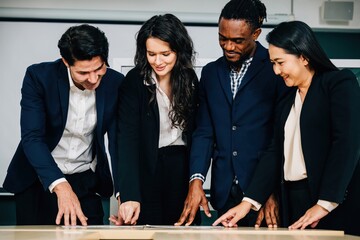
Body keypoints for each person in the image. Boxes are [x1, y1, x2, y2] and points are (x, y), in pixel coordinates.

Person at [213, 20, 360, 236]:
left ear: (303, 56)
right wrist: (247, 203)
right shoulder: (287, 99)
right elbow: (274, 152)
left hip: (331, 201)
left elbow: (347, 143)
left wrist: (325, 203)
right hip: (292, 199)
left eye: (280, 62)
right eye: (273, 63)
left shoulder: (338, 84)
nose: (276, 71)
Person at [175, 0, 290, 227]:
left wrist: (269, 189)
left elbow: (281, 137)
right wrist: (196, 179)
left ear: (256, 34)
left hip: (264, 194)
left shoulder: (275, 69)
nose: (228, 46)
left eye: (237, 41)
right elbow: (204, 132)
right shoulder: (210, 73)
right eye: (222, 38)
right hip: (225, 192)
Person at [3, 24, 124, 226]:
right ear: (66, 62)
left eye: (99, 69)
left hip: (85, 181)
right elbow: (32, 138)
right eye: (84, 73)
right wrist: (61, 186)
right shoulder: (39, 77)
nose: (94, 79)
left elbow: (118, 144)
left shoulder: (115, 82)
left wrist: (124, 196)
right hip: (39, 180)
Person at [109, 13, 200, 225]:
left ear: (179, 50)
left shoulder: (189, 78)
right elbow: (127, 140)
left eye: (165, 54)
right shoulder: (134, 81)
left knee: (183, 230)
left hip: (181, 168)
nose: (157, 61)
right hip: (147, 169)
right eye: (151, 54)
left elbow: (197, 132)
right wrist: (129, 195)